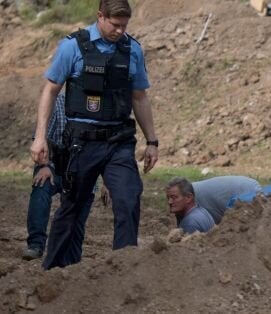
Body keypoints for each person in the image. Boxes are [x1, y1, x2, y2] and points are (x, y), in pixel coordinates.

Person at [29, 0, 158, 269]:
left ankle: (123, 268)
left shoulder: (132, 49)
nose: (120, 30)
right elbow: (50, 90)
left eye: (125, 25)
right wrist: (40, 137)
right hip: (81, 143)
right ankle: (51, 271)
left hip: (119, 142)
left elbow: (140, 97)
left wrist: (152, 141)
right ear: (100, 16)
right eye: (115, 25)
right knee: (72, 207)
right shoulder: (72, 47)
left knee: (128, 196)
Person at [22, 94, 96, 260]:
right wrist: (44, 166)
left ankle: (70, 250)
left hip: (81, 172)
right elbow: (41, 137)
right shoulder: (57, 103)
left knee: (79, 208)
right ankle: (36, 244)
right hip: (54, 167)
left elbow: (103, 148)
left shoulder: (97, 108)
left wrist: (107, 181)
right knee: (41, 184)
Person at [165, 176, 261, 233]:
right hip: (245, 185)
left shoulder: (192, 218)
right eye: (168, 198)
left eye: (174, 198)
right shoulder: (191, 201)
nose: (169, 202)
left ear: (188, 198)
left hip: (245, 190)